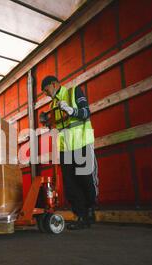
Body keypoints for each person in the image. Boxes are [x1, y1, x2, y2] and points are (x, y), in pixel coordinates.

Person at [41, 75, 99, 230]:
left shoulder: (74, 92)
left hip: (81, 144)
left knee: (86, 179)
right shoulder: (53, 104)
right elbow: (57, 126)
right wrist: (48, 122)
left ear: (54, 84)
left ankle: (90, 211)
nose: (46, 94)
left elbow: (86, 113)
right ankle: (80, 216)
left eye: (46, 90)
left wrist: (71, 110)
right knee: (70, 184)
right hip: (65, 149)